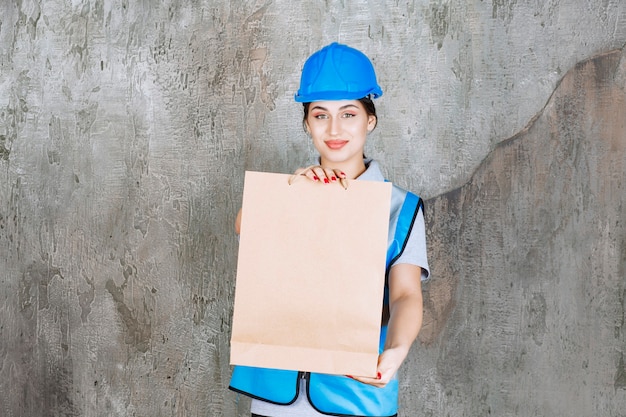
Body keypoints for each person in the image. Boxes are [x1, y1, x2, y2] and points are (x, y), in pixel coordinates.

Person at [229, 42, 430, 417]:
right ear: (307, 123)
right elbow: (244, 228)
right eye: (320, 115)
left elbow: (405, 295)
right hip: (275, 400)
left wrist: (396, 351)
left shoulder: (401, 207)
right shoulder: (294, 190)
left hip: (357, 397)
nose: (334, 129)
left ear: (370, 119)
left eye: (349, 114)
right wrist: (293, 194)